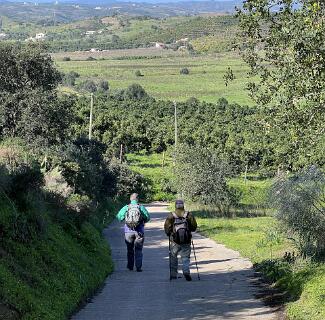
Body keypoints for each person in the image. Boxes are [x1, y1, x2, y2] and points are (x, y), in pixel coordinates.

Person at [164, 199, 197, 281]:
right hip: (186, 240)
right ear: (183, 206)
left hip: (174, 240)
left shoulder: (171, 215)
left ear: (175, 206)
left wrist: (169, 234)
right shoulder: (188, 215)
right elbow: (194, 227)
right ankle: (186, 271)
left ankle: (173, 274)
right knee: (185, 257)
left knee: (173, 257)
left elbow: (167, 228)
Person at [116, 193, 150, 272]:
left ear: (130, 199)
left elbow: (118, 217)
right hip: (139, 232)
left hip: (128, 232)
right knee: (138, 250)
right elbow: (148, 217)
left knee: (129, 249)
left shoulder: (126, 207)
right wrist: (142, 221)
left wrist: (125, 220)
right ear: (137, 199)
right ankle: (138, 267)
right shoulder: (140, 207)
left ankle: (130, 267)